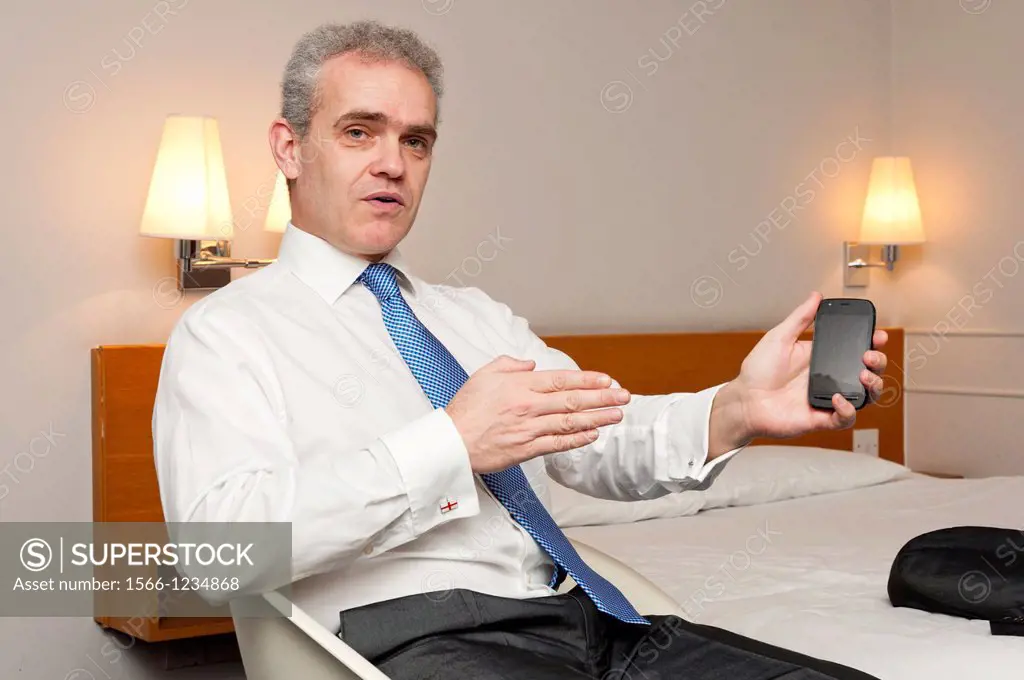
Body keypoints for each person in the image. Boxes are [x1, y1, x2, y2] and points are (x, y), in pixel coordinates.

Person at [152, 20, 888, 680]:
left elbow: (598, 443)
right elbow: (223, 554)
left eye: (416, 140)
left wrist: (736, 408)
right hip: (420, 639)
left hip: (594, 625)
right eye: (358, 132)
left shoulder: (475, 319)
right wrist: (451, 441)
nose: (393, 164)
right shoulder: (228, 333)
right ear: (289, 146)